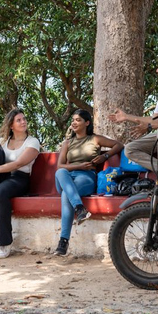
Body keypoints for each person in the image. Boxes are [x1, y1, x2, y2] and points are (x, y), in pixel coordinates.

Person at [52, 109, 123, 256]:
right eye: (73, 120)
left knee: (67, 193)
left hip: (86, 178)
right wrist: (78, 166)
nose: (74, 122)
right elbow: (60, 166)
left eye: (78, 120)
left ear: (87, 123)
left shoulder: (95, 139)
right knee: (60, 172)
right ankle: (79, 208)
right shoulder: (68, 143)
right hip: (67, 177)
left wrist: (105, 156)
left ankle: (63, 242)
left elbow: (118, 145)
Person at [0, 108, 41, 259]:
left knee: (1, 192)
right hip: (1, 177)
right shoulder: (3, 141)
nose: (23, 122)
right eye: (19, 120)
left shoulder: (32, 142)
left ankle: (4, 243)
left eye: (24, 119)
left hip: (19, 178)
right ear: (11, 125)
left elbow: (18, 164)